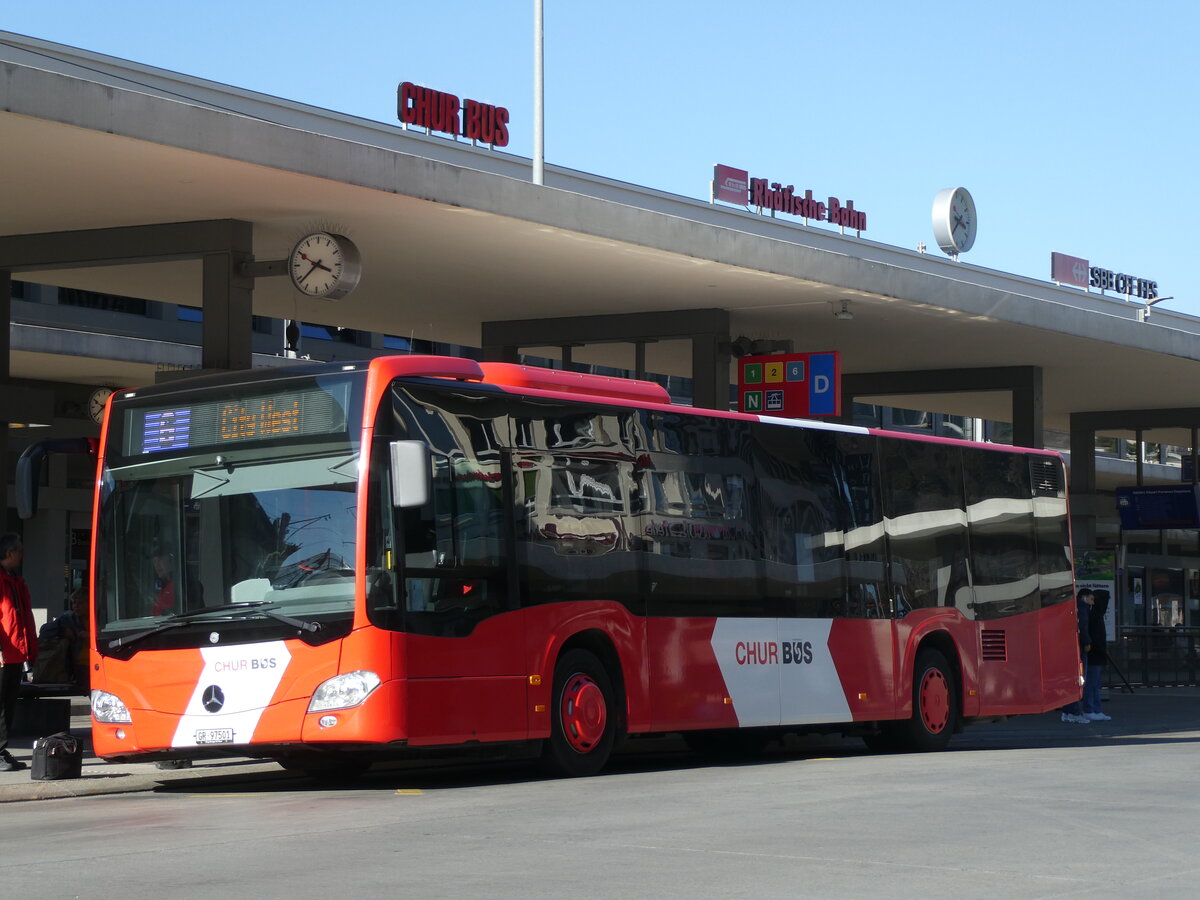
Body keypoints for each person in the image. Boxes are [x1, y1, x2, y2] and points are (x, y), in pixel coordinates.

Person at [0, 533, 37, 772]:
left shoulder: (14, 581)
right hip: (4, 655)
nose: (22, 555)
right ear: (10, 554)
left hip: (14, 655)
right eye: (20, 551)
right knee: (2, 706)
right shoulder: (5, 582)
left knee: (8, 704)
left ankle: (2, 750)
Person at [1061, 588, 1093, 724]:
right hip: (1079, 649)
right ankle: (1074, 712)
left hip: (1067, 648)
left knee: (1070, 681)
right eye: (1091, 599)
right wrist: (1087, 642)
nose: (1093, 602)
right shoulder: (1083, 609)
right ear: (1084, 597)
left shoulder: (1069, 608)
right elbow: (1083, 628)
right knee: (1080, 681)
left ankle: (1067, 712)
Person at [1082, 590, 1111, 721]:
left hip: (1095, 652)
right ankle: (1090, 709)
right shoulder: (1095, 615)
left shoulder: (1093, 614)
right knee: (1092, 683)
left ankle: (1095, 709)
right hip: (1095, 653)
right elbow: (1095, 636)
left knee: (1094, 683)